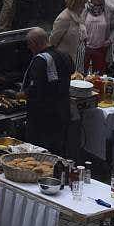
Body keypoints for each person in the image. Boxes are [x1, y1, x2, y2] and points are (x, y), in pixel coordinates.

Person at [20, 27, 74, 156]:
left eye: (29, 45)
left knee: (39, 154)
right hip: (63, 112)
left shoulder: (40, 60)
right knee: (58, 152)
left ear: (34, 43)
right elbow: (71, 72)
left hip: (43, 118)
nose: (29, 48)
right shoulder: (65, 55)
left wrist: (16, 95)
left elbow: (34, 90)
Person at [82, 0, 114, 74]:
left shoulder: (109, 9)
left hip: (101, 49)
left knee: (98, 76)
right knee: (82, 74)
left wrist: (110, 40)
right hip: (85, 48)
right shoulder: (83, 7)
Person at [50, 0, 86, 68]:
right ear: (75, 4)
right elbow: (53, 41)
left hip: (78, 59)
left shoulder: (79, 16)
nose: (84, 7)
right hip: (64, 60)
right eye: (82, 5)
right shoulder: (64, 18)